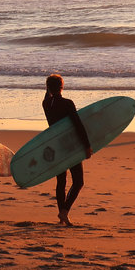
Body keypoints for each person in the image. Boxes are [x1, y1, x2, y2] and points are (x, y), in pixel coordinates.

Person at [43, 74, 93, 226]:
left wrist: (48, 89)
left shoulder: (46, 104)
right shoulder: (67, 103)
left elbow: (47, 96)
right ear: (62, 86)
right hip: (70, 146)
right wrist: (87, 145)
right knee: (78, 181)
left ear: (48, 88)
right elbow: (78, 125)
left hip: (55, 146)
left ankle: (62, 215)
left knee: (61, 181)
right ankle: (64, 211)